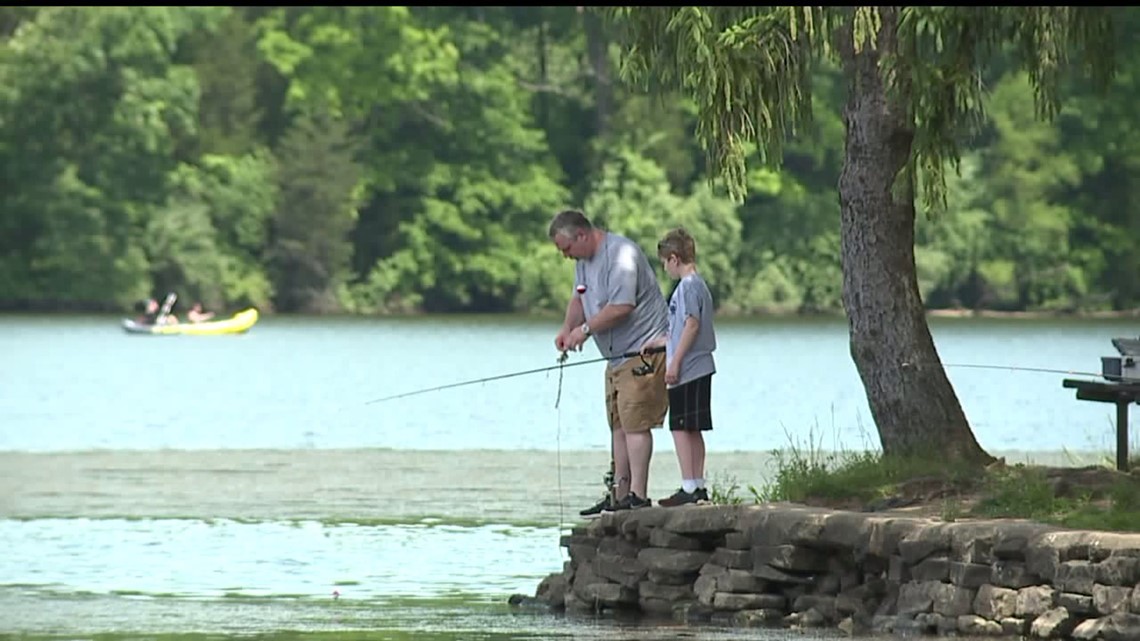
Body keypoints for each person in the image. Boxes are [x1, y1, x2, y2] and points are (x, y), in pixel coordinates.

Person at [549, 208, 669, 516]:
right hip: (615, 359)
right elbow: (579, 298)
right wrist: (567, 329)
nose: (566, 256)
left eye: (566, 249)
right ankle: (619, 494)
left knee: (636, 426)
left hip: (642, 354)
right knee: (618, 426)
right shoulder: (583, 262)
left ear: (582, 235)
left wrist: (585, 330)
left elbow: (622, 306)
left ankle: (638, 497)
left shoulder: (620, 255)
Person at [641, 227, 718, 507]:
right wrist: (660, 342)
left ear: (674, 258)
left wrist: (673, 362)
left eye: (664, 262)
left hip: (688, 367)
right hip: (699, 365)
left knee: (680, 427)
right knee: (692, 427)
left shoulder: (687, 286)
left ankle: (688, 486)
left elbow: (692, 325)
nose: (665, 268)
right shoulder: (699, 285)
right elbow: (681, 328)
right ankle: (697, 485)